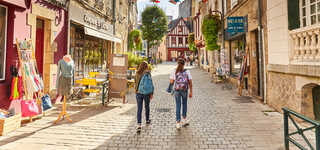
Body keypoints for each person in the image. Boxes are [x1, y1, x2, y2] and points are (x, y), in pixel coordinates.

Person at [170, 58, 193, 129]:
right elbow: (190, 82)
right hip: (184, 90)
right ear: (184, 64)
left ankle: (178, 123)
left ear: (177, 63)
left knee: (178, 105)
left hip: (177, 90)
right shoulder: (187, 71)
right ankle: (184, 120)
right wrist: (191, 92)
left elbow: (171, 82)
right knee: (184, 104)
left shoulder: (174, 71)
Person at [135, 61, 154, 132]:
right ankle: (147, 120)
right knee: (147, 106)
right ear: (146, 66)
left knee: (139, 108)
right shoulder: (148, 73)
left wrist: (136, 91)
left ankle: (139, 124)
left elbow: (135, 82)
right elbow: (151, 83)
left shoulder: (137, 73)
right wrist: (152, 93)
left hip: (138, 93)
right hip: (147, 93)